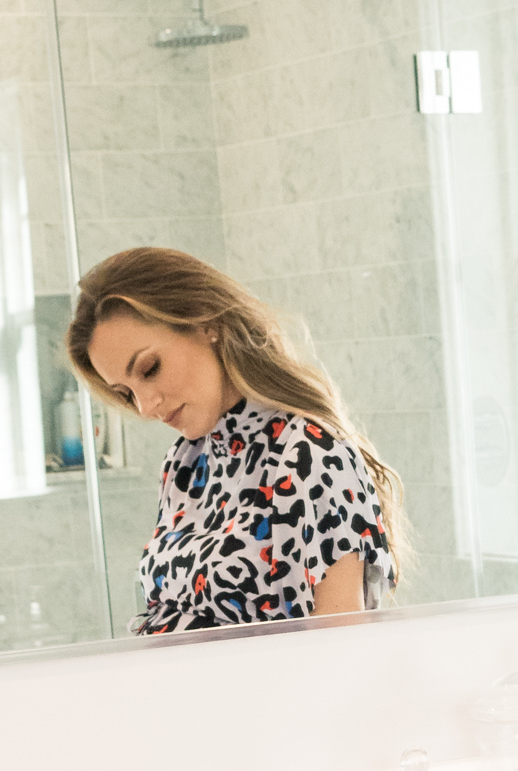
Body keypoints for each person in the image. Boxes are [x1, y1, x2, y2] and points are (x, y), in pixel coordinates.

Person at [66, 247, 405, 629]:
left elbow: (343, 648)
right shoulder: (186, 461)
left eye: (149, 368)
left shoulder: (308, 454)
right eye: (126, 392)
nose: (144, 407)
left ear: (207, 323)